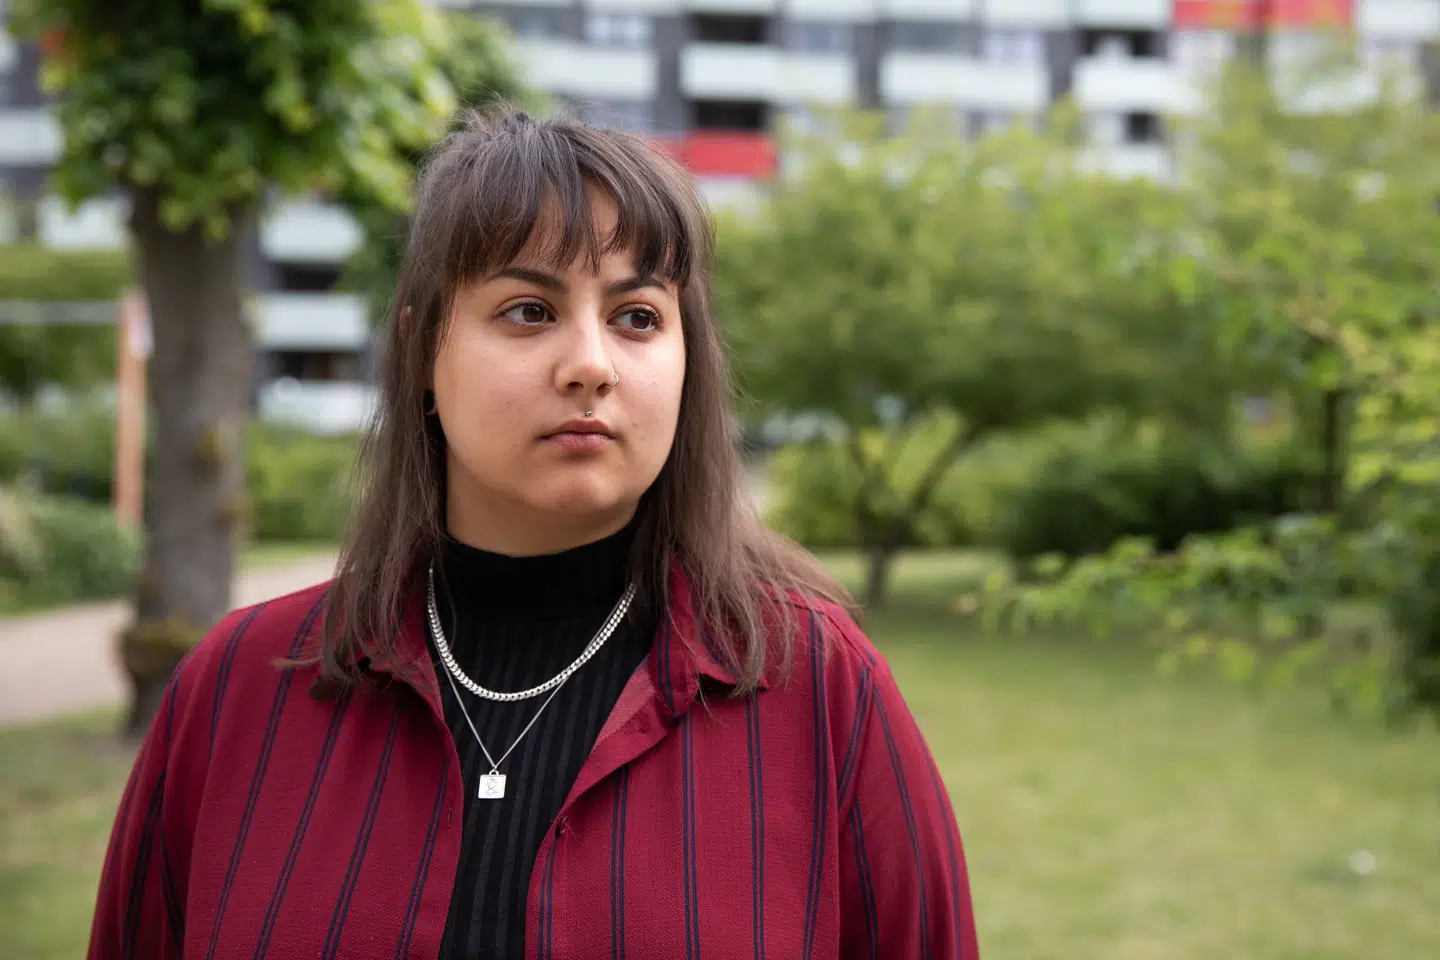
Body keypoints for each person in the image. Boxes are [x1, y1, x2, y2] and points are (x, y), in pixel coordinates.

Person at [88, 107, 980, 960]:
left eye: (638, 317)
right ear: (423, 353)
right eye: (529, 311)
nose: (591, 363)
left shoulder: (821, 691)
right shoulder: (236, 690)